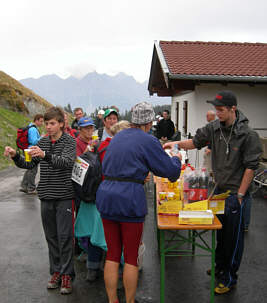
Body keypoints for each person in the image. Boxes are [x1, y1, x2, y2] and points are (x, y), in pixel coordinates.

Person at [164, 91, 262, 294]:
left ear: (233, 109)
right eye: (216, 109)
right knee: (221, 234)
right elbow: (195, 142)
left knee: (233, 239)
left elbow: (250, 168)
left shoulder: (248, 135)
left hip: (236, 194)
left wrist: (241, 196)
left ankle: (230, 278)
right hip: (219, 191)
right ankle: (220, 267)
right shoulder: (214, 128)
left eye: (221, 110)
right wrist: (175, 144)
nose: (217, 113)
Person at [96, 101, 182, 303]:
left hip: (107, 196)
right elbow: (170, 172)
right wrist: (176, 158)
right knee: (131, 257)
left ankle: (112, 300)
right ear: (150, 122)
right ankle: (129, 301)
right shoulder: (148, 140)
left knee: (112, 254)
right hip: (129, 200)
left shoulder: (117, 137)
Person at [4, 106, 76, 295]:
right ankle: (56, 272)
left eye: (52, 123)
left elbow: (67, 162)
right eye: (46, 124)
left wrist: (46, 155)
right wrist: (15, 155)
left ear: (61, 124)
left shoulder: (69, 141)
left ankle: (67, 274)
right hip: (46, 196)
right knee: (51, 237)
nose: (48, 127)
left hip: (64, 196)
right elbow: (29, 164)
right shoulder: (42, 142)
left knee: (65, 237)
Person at [75, 120, 131, 283]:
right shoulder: (122, 149)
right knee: (115, 237)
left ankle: (92, 269)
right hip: (114, 198)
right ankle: (120, 273)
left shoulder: (97, 145)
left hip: (94, 199)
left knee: (94, 234)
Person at [20, 114, 44, 194]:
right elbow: (34, 141)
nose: (42, 123)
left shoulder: (30, 127)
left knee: (29, 168)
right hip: (32, 151)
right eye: (41, 121)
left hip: (28, 150)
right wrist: (42, 137)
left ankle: (24, 186)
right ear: (36, 120)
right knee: (33, 170)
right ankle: (31, 188)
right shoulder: (33, 129)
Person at [202, 110, 216, 175]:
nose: (206, 117)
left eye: (207, 116)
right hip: (211, 148)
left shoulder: (213, 125)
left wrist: (209, 147)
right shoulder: (215, 124)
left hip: (211, 150)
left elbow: (213, 137)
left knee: (208, 169)